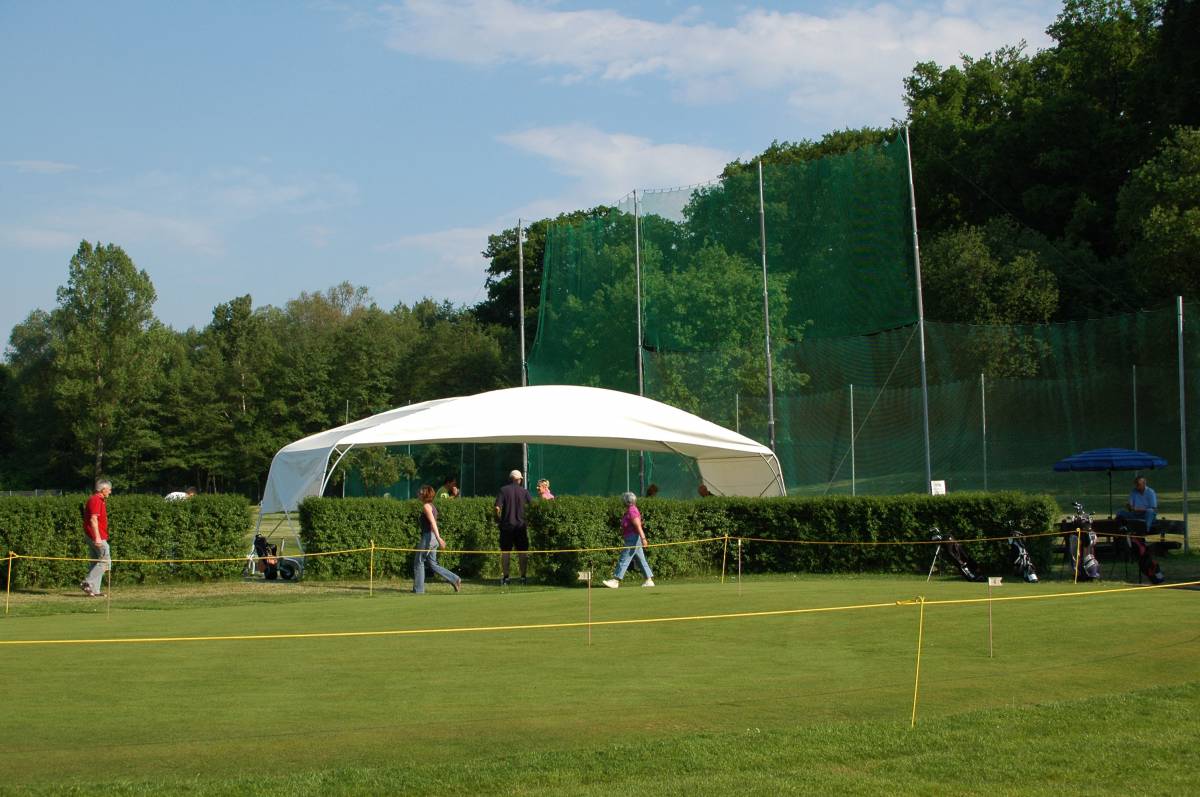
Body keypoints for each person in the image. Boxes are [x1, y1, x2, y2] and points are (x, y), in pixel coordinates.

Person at [412, 484, 461, 594]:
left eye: (421, 492)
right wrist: (437, 539)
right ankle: (455, 579)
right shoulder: (431, 506)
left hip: (429, 537)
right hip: (432, 538)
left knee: (418, 562)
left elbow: (433, 523)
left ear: (425, 495)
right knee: (433, 564)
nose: (418, 493)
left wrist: (439, 538)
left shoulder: (426, 507)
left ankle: (418, 590)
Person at [602, 492, 655, 589]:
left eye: (623, 500)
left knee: (624, 558)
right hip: (632, 538)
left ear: (627, 501)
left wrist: (643, 539)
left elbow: (638, 526)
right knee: (640, 560)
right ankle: (649, 580)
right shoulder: (630, 510)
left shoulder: (632, 511)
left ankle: (616, 580)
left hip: (633, 539)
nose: (622, 501)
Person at [494, 469, 532, 585]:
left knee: (505, 552)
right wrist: (529, 520)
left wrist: (498, 519)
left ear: (510, 479)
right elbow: (532, 507)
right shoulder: (524, 491)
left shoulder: (503, 490)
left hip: (506, 527)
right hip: (520, 526)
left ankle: (506, 578)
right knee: (522, 552)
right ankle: (523, 578)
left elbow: (497, 508)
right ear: (519, 480)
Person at [81, 478, 112, 598]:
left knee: (95, 562)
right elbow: (93, 520)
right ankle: (87, 582)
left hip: (93, 535)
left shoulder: (98, 500)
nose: (110, 492)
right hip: (97, 536)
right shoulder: (96, 500)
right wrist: (98, 538)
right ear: (103, 489)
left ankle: (94, 590)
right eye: (109, 489)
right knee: (105, 561)